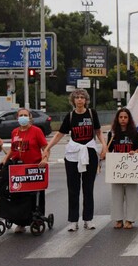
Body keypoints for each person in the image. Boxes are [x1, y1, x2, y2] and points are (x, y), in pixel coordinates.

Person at [43, 89, 107, 231]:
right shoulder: (70, 116)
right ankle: (73, 220)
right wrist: (48, 147)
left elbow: (98, 131)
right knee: (73, 188)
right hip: (73, 154)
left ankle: (88, 219)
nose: (79, 100)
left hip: (89, 151)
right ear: (73, 100)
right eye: (77, 97)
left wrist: (104, 145)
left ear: (86, 100)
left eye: (82, 97)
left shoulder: (91, 114)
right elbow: (60, 134)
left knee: (88, 188)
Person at [0, 108, 49, 233]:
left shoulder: (36, 131)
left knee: (35, 195)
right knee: (18, 195)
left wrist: (45, 159)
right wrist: (5, 158)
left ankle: (37, 219)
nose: (23, 117)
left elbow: (45, 148)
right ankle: (20, 222)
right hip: (18, 169)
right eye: (20, 115)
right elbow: (13, 148)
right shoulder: (15, 132)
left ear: (30, 117)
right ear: (17, 118)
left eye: (25, 115)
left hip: (33, 167)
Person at [107, 108, 138, 230]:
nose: (123, 119)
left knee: (132, 192)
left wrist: (134, 152)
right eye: (120, 117)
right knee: (116, 193)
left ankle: (130, 220)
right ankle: (118, 219)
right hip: (117, 167)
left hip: (130, 167)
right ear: (117, 119)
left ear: (129, 119)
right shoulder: (112, 133)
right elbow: (108, 150)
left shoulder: (133, 133)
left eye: (125, 117)